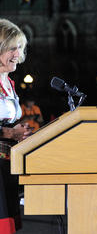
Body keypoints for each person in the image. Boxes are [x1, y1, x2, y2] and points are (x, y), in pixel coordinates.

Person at [0, 19, 32, 233]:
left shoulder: (9, 83)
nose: (18, 54)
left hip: (6, 163)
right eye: (12, 48)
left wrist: (19, 130)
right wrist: (10, 132)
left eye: (20, 48)